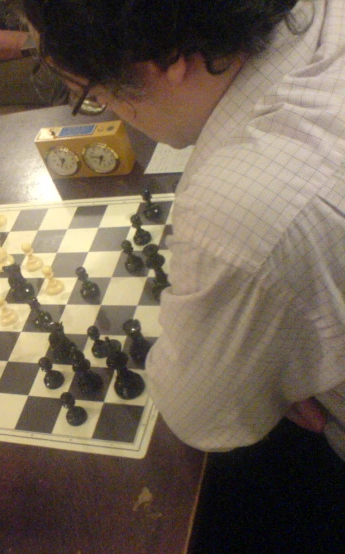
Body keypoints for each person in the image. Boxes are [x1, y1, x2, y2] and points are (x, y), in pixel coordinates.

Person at [22, 0, 345, 549]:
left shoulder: (239, 207)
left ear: (167, 58)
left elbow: (203, 416)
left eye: (93, 93)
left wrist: (256, 364)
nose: (107, 111)